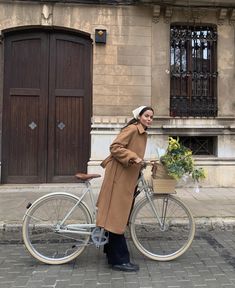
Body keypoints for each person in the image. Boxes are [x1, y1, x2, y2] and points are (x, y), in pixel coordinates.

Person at [96, 106, 154, 272]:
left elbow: (130, 151)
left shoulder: (141, 131)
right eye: (146, 116)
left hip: (126, 176)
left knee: (117, 215)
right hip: (118, 177)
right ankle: (119, 260)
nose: (149, 119)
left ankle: (110, 252)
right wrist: (133, 157)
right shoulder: (132, 129)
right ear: (139, 117)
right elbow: (115, 147)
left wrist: (141, 160)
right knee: (117, 216)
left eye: (151, 117)